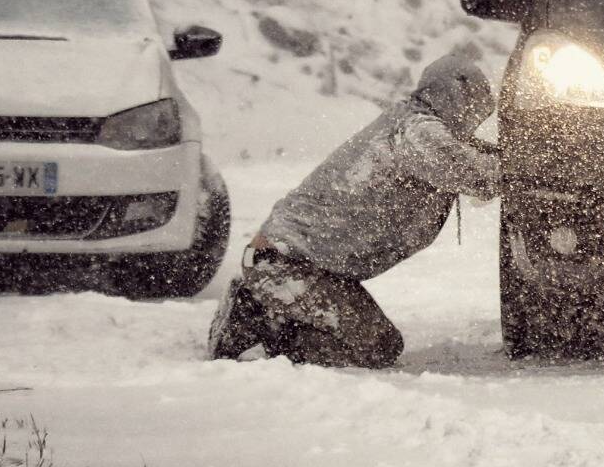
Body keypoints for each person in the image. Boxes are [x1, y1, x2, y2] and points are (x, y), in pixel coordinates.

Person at [207, 55, 499, 368]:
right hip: (286, 265)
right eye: (473, 106)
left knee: (384, 343)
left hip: (314, 266)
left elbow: (471, 156)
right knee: (372, 349)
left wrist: (508, 157)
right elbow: (476, 173)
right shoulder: (417, 131)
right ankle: (255, 317)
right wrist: (526, 170)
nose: (473, 118)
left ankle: (272, 309)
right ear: (454, 94)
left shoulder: (411, 123)